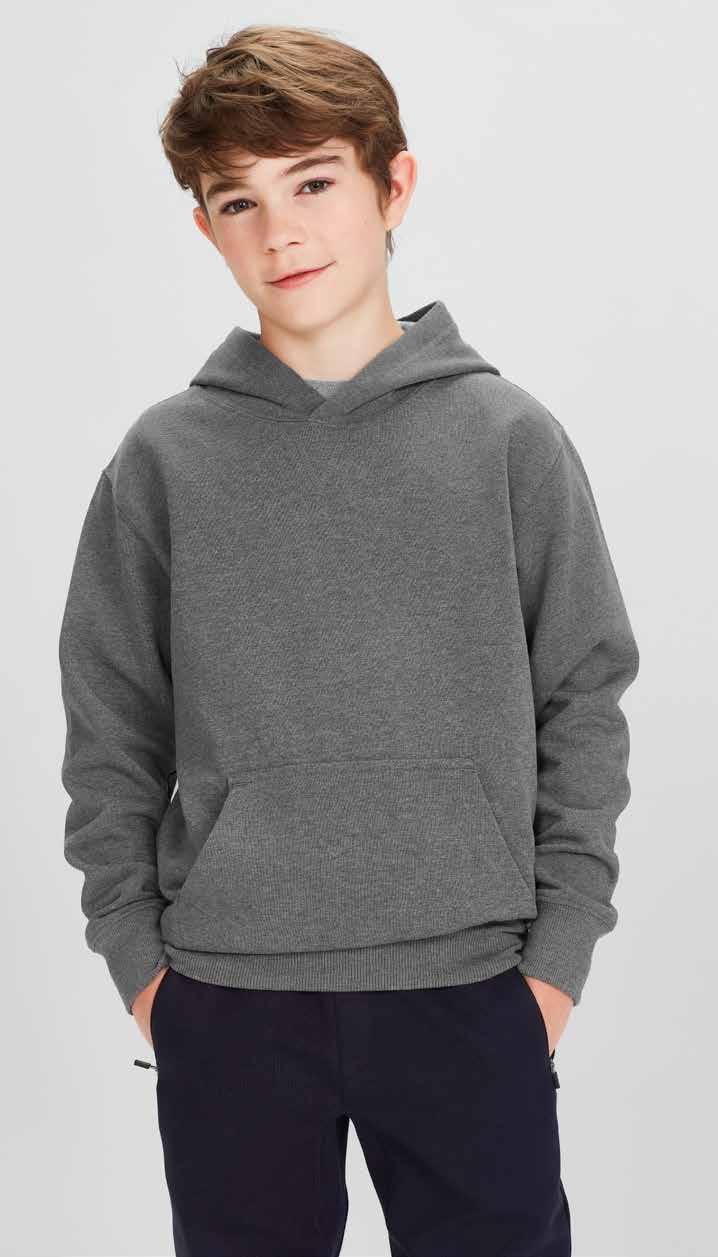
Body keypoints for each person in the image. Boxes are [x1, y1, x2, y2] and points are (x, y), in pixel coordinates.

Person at [58, 23, 640, 1257]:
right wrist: (141, 965)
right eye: (239, 201)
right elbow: (110, 728)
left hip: (471, 987)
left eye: (313, 181)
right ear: (205, 227)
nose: (281, 232)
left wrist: (554, 963)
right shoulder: (164, 461)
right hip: (227, 997)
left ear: (393, 185)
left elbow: (584, 697)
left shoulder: (507, 440)